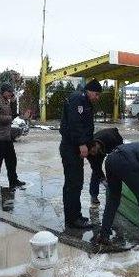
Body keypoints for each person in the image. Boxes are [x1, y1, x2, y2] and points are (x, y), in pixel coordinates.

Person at [59, 79, 102, 229]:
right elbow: (75, 124)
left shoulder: (85, 101)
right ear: (89, 91)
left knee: (74, 183)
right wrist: (82, 143)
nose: (97, 98)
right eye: (96, 94)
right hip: (71, 148)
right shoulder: (78, 99)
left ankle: (74, 216)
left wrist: (88, 143)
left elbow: (85, 126)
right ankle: (73, 219)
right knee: (73, 183)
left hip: (74, 148)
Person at [0, 83, 25, 188]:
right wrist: (9, 118)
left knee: (12, 159)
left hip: (6, 136)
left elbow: (13, 113)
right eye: (9, 92)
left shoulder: (6, 101)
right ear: (3, 91)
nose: (11, 94)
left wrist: (14, 101)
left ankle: (13, 181)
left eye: (12, 92)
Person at [87, 127, 124, 207]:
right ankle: (94, 195)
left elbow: (121, 152)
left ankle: (118, 190)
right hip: (101, 148)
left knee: (116, 165)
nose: (92, 154)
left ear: (96, 145)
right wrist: (103, 180)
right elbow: (96, 168)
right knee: (96, 172)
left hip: (113, 140)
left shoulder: (110, 138)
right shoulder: (90, 153)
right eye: (91, 153)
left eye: (93, 151)